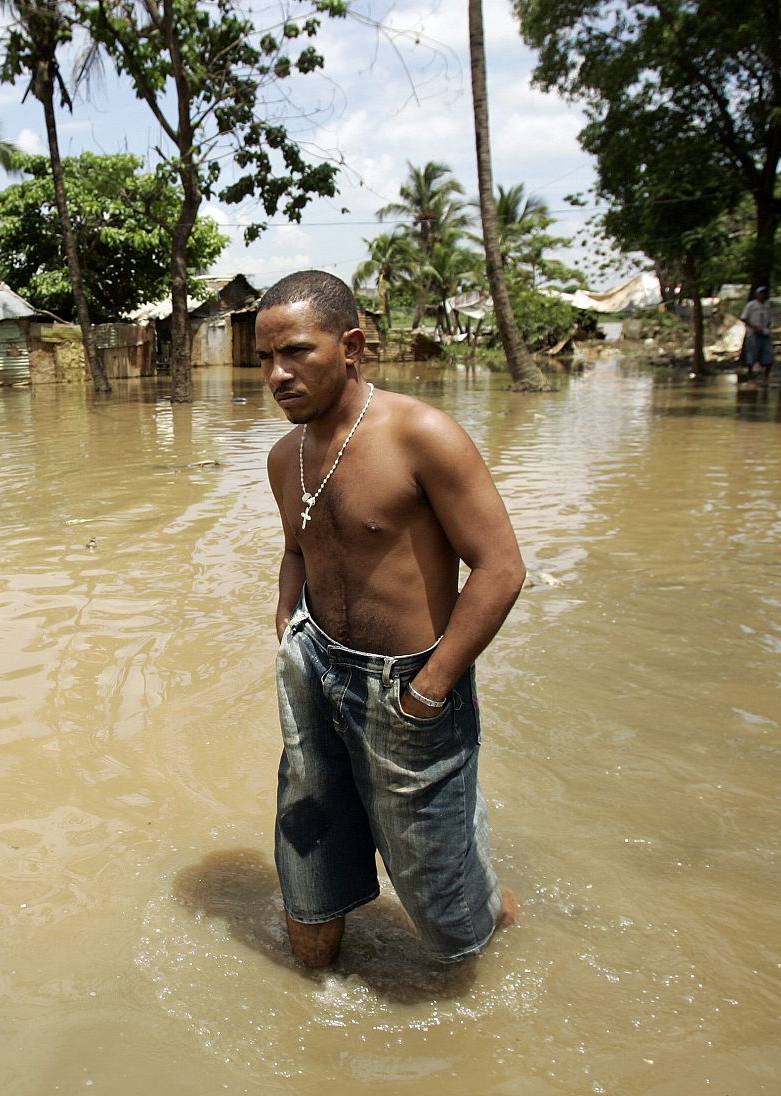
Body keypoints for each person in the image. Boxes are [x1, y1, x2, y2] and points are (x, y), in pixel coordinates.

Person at [256, 270, 524, 968]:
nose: (277, 374)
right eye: (264, 358)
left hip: (409, 691)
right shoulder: (285, 456)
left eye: (296, 352)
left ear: (351, 345)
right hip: (315, 672)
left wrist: (431, 689)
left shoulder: (422, 436)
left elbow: (499, 568)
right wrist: (287, 617)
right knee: (309, 911)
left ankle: (489, 901)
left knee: (451, 931)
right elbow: (297, 544)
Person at [739, 286, 774, 383]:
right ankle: (750, 377)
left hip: (765, 333)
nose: (763, 295)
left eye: (764, 293)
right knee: (751, 355)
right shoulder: (751, 305)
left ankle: (766, 377)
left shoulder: (767, 305)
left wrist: (765, 328)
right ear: (757, 294)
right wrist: (754, 327)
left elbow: (769, 319)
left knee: (768, 354)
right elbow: (744, 318)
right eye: (761, 293)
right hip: (753, 333)